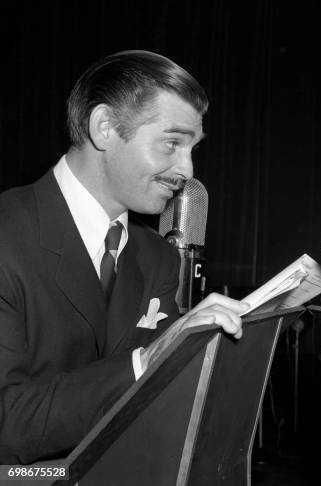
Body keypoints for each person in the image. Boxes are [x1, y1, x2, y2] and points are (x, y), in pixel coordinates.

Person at [0, 50, 248, 464]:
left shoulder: (158, 259)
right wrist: (147, 360)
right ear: (105, 128)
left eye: (192, 149)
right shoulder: (7, 236)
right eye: (172, 143)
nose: (186, 170)